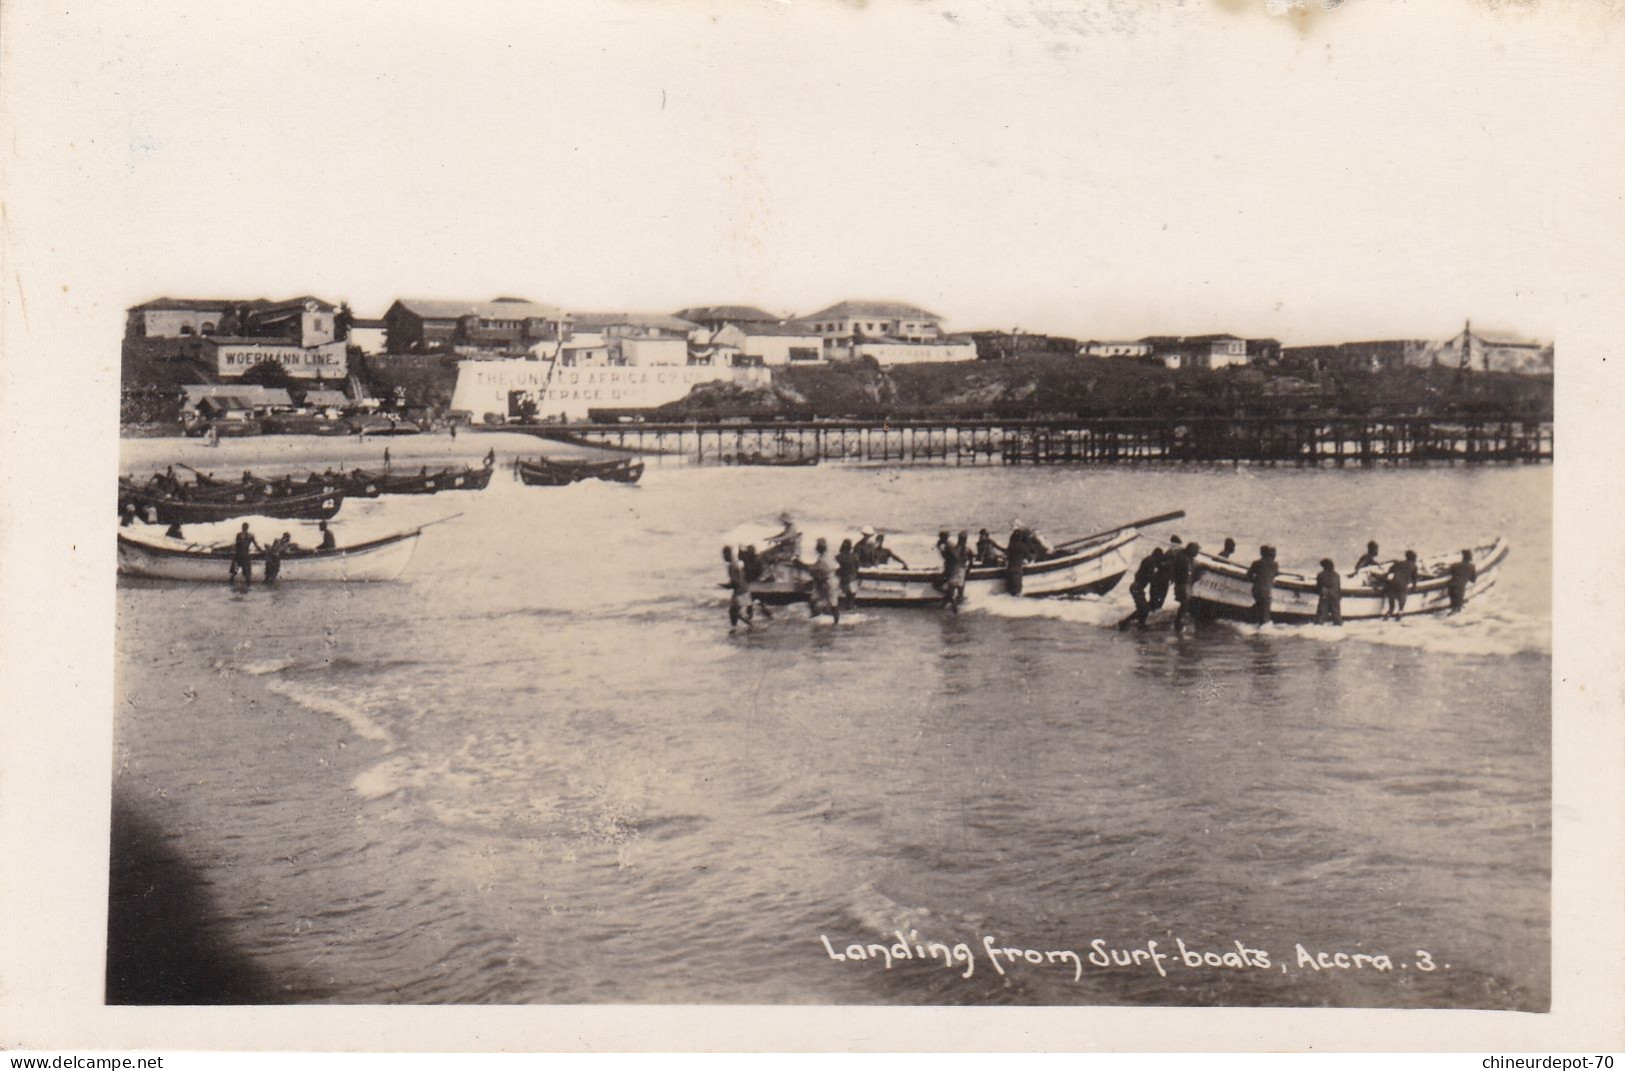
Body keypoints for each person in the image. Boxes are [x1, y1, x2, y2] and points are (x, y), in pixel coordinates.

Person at [1118, 547, 1165, 631]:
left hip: (1136, 587)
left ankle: (1136, 623)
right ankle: (1127, 622)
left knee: (1142, 608)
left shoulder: (1148, 560)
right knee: (1144, 609)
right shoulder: (1150, 561)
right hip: (1137, 587)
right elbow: (1151, 576)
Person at [1170, 542, 1202, 633]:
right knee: (1185, 604)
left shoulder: (1185, 558)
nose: (1197, 553)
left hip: (1185, 584)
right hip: (1183, 584)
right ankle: (1178, 625)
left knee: (1185, 605)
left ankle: (1179, 624)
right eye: (1196, 550)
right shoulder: (1184, 559)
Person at [805, 538, 839, 623]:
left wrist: (802, 565)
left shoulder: (822, 559)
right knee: (830, 601)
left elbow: (814, 569)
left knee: (830, 602)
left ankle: (835, 621)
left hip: (828, 582)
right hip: (830, 580)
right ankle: (832, 619)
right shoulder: (828, 556)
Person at [1245, 545, 1279, 626]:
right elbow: (1275, 574)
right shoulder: (1275, 565)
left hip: (1256, 591)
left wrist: (1256, 581)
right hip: (1267, 593)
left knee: (1260, 607)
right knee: (1265, 618)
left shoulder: (1256, 563)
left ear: (1261, 553)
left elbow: (1248, 576)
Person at [722, 546, 754, 630]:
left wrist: (725, 586)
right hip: (745, 589)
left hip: (740, 591)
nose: (723, 557)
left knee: (735, 612)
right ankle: (735, 628)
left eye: (724, 554)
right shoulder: (737, 563)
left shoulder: (731, 566)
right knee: (733, 611)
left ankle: (751, 625)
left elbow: (735, 582)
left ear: (729, 554)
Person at [1382, 550, 1420, 619]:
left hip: (1392, 584)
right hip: (1402, 585)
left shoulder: (1398, 563)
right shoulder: (1414, 566)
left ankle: (1390, 612)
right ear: (1414, 558)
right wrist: (1414, 587)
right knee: (1402, 598)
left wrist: (1385, 583)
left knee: (1391, 606)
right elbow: (1415, 578)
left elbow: (1388, 573)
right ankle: (1400, 612)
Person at [943, 531, 971, 612]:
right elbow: (971, 562)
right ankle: (954, 608)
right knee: (960, 594)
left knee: (950, 593)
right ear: (965, 540)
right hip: (961, 571)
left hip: (954, 570)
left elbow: (948, 560)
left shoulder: (954, 549)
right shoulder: (967, 550)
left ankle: (948, 608)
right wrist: (968, 570)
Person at [1446, 549, 1477, 614]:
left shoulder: (1454, 565)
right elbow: (1473, 580)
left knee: (1453, 606)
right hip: (1460, 588)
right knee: (1457, 609)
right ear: (1470, 558)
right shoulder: (1472, 567)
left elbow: (1447, 573)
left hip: (1451, 586)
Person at [1314, 558, 1343, 625]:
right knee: (1337, 617)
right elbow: (1338, 588)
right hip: (1335, 596)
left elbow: (1318, 587)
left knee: (1321, 617)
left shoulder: (1321, 575)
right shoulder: (1337, 575)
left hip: (1325, 596)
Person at [835, 538, 861, 609]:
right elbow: (857, 567)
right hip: (852, 579)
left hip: (842, 579)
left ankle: (847, 604)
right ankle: (850, 605)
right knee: (852, 594)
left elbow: (835, 567)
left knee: (848, 593)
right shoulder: (855, 556)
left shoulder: (838, 557)